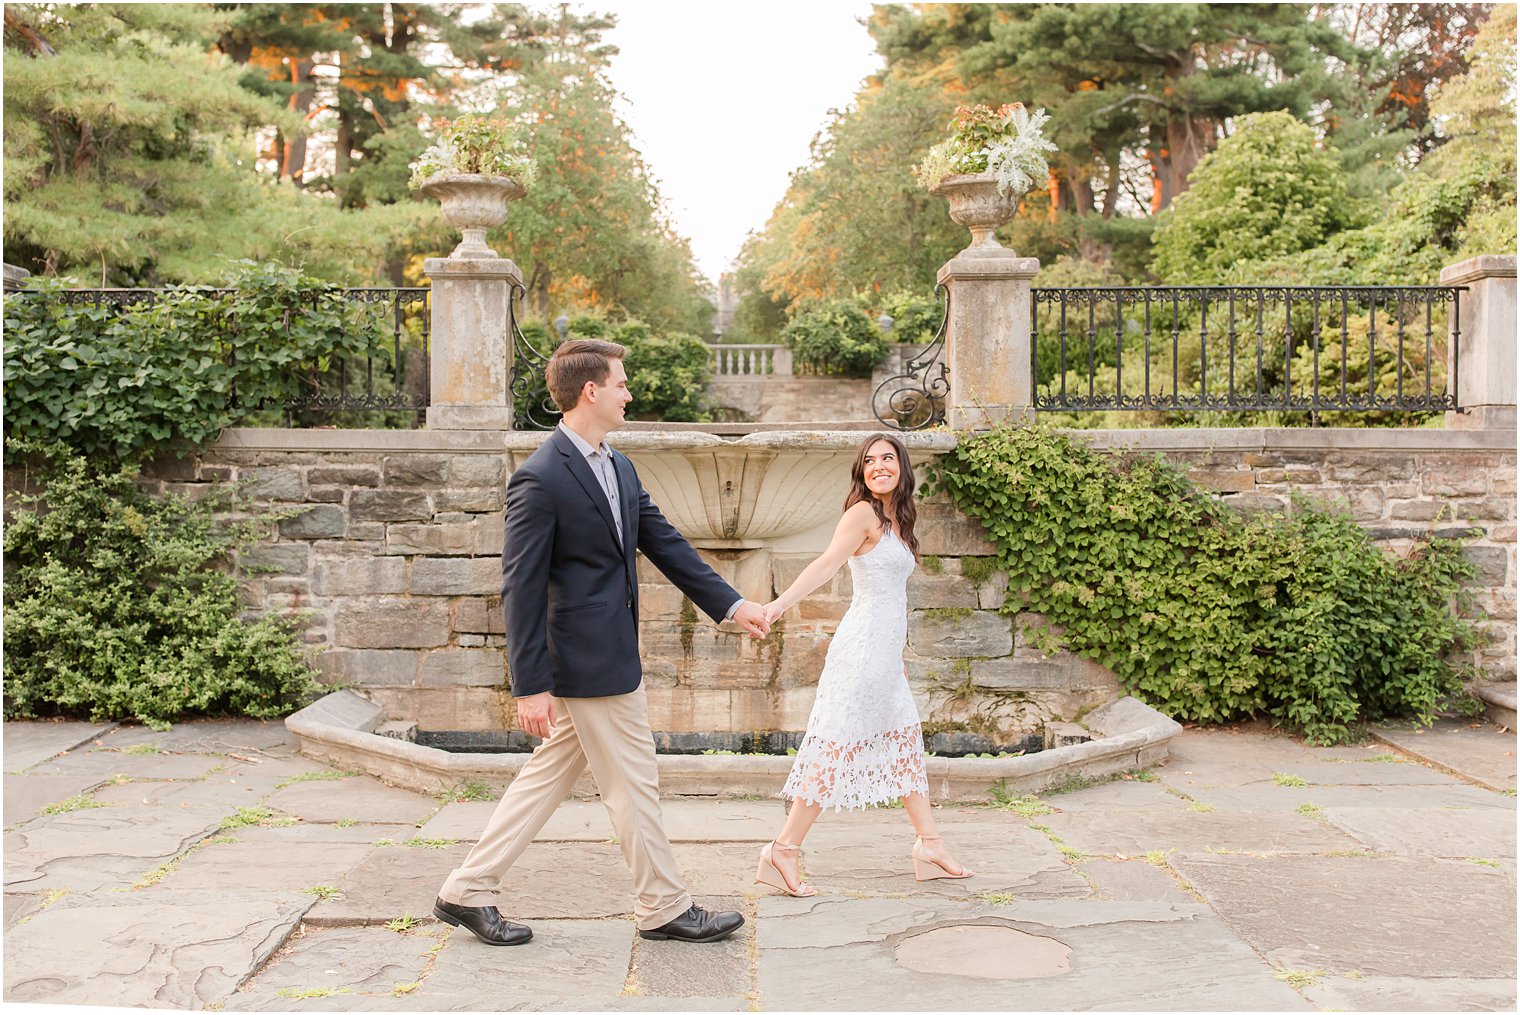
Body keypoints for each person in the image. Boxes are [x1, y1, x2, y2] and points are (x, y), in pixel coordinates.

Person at [434, 338, 772, 946]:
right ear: (591, 391)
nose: (629, 393)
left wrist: (732, 604)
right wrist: (531, 683)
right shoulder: (539, 477)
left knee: (548, 776)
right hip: (584, 661)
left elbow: (663, 541)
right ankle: (664, 906)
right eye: (621, 383)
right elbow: (521, 587)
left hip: (611, 650)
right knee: (635, 781)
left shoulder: (617, 464)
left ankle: (467, 890)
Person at [754, 433, 971, 897]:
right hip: (862, 651)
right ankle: (784, 848)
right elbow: (827, 563)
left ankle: (929, 844)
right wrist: (777, 605)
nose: (878, 467)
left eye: (887, 458)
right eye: (869, 461)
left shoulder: (897, 520)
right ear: (862, 471)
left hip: (885, 655)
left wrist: (898, 656)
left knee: (905, 742)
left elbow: (898, 598)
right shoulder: (863, 514)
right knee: (835, 746)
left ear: (901, 467)